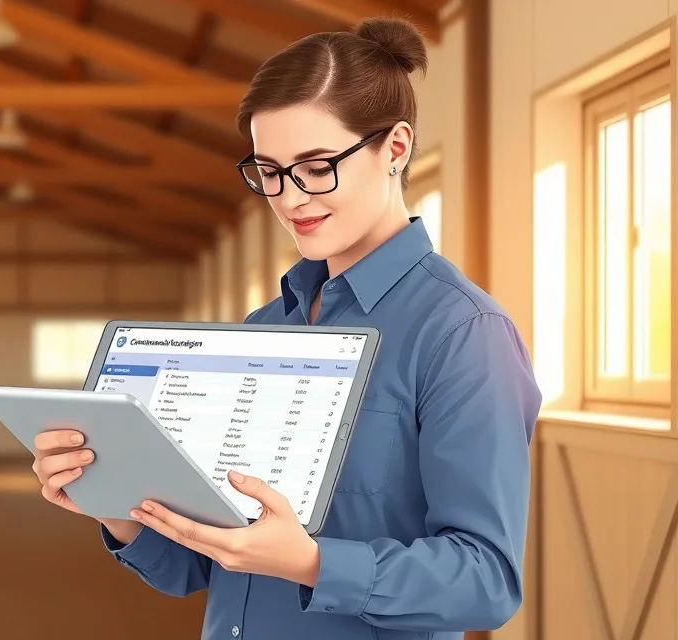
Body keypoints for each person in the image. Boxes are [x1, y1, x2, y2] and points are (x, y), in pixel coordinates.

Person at [29, 16, 542, 640]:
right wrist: (118, 508)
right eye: (268, 171)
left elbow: (486, 581)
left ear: (396, 148)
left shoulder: (464, 332)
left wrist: (312, 563)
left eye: (317, 165)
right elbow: (200, 563)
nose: (291, 198)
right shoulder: (267, 327)